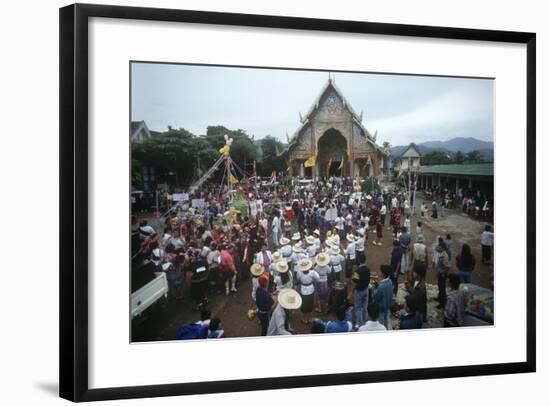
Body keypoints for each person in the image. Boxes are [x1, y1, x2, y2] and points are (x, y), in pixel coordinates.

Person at [295, 258, 320, 324]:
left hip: (305, 289)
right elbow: (318, 278)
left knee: (306, 304)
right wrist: (313, 279)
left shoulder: (299, 273)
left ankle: (306, 317)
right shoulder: (312, 273)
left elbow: (298, 279)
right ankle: (307, 318)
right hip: (309, 289)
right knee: (308, 304)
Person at [351, 256, 370, 329]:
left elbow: (355, 282)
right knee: (365, 307)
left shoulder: (357, 271)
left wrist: (351, 292)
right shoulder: (368, 269)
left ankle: (361, 325)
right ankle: (364, 322)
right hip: (366, 290)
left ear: (359, 260)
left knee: (358, 308)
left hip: (359, 291)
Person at [433, 240, 451, 308]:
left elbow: (447, 267)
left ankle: (442, 303)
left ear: (443, 248)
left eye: (439, 247)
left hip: (442, 274)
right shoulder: (441, 254)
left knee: (442, 288)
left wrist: (443, 273)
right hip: (440, 272)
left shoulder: (445, 256)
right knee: (440, 287)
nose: (438, 248)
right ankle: (439, 298)